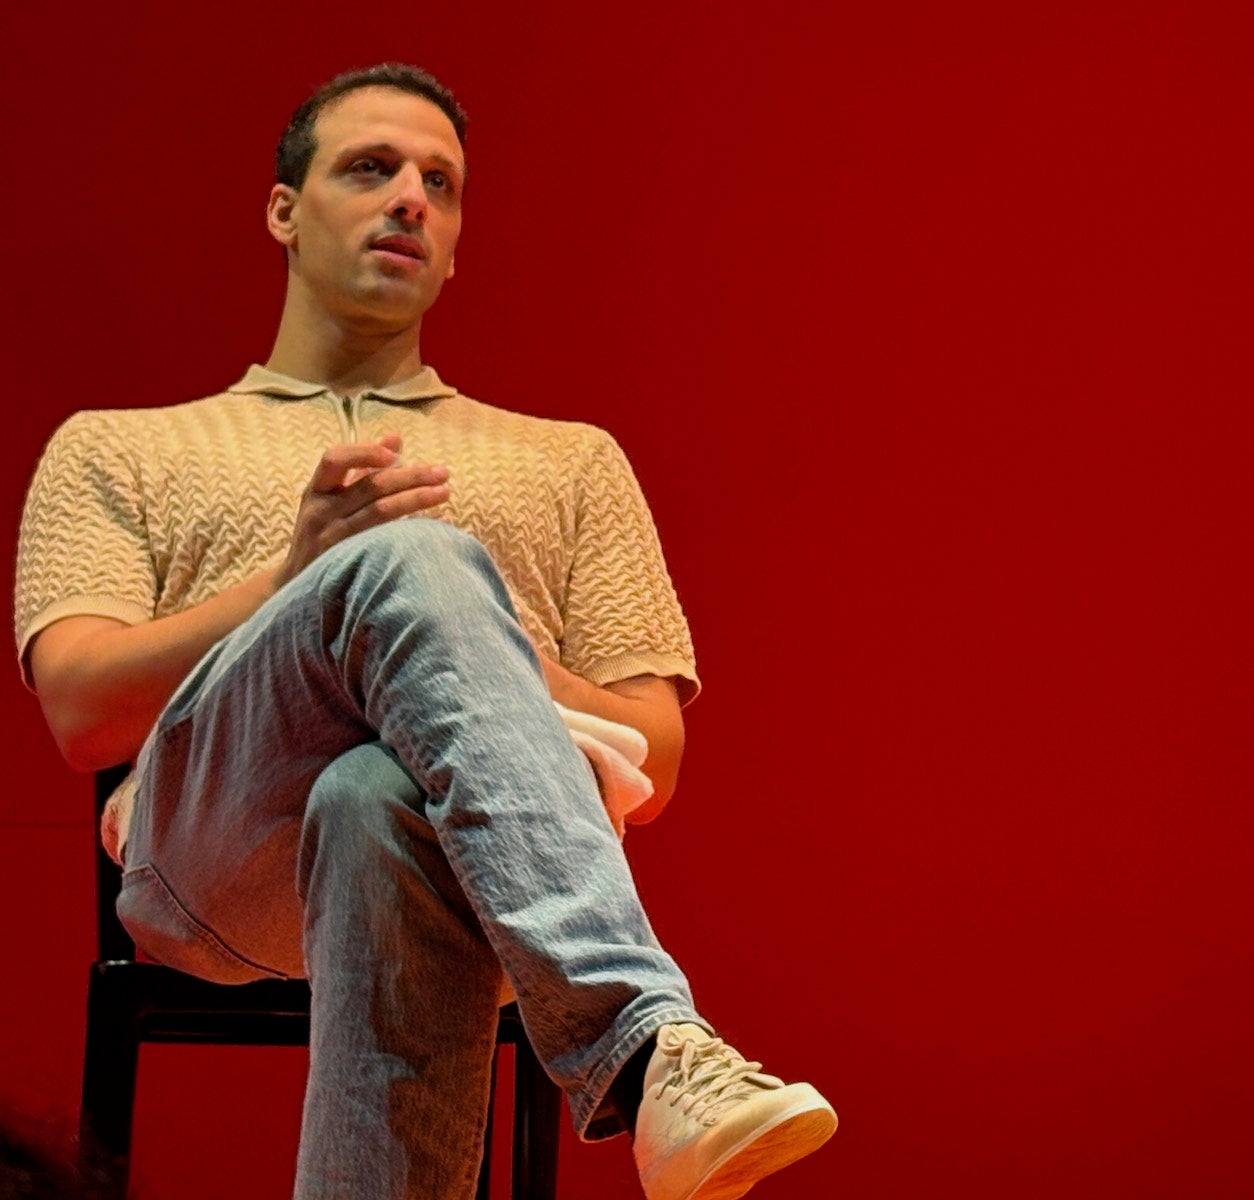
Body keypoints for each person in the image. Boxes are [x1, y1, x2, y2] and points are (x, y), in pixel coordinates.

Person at [14, 64, 834, 1200]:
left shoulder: (571, 462)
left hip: (480, 871)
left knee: (374, 793)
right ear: (284, 210)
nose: (410, 198)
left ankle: (639, 1048)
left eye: (440, 184)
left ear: (453, 247)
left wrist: (474, 639)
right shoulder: (119, 447)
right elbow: (79, 709)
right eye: (371, 168)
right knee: (413, 556)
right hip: (219, 859)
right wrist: (303, 580)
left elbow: (659, 752)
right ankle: (645, 1044)